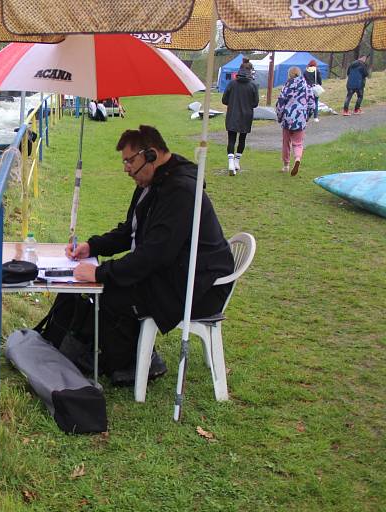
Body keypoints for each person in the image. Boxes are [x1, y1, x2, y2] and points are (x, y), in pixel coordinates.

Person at [64, 125, 234, 386]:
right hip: (178, 273)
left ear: (151, 155)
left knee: (111, 292)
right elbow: (129, 231)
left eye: (130, 161)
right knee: (110, 287)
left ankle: (129, 363)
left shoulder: (181, 191)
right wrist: (92, 246)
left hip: (199, 288)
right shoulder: (151, 183)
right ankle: (122, 356)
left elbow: (155, 254)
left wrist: (100, 272)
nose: (126, 169)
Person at [221, 60, 259, 176]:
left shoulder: (232, 84)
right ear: (250, 71)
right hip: (246, 116)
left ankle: (230, 163)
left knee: (231, 139)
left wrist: (232, 103)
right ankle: (237, 162)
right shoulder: (253, 85)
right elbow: (255, 103)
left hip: (233, 114)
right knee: (242, 139)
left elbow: (224, 100)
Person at [276, 66, 310, 176]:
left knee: (286, 143)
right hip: (300, 118)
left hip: (288, 118)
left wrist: (279, 117)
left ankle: (286, 165)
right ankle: (297, 159)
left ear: (289, 75)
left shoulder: (286, 87)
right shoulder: (306, 86)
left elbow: (281, 103)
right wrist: (307, 116)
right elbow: (311, 103)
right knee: (298, 143)